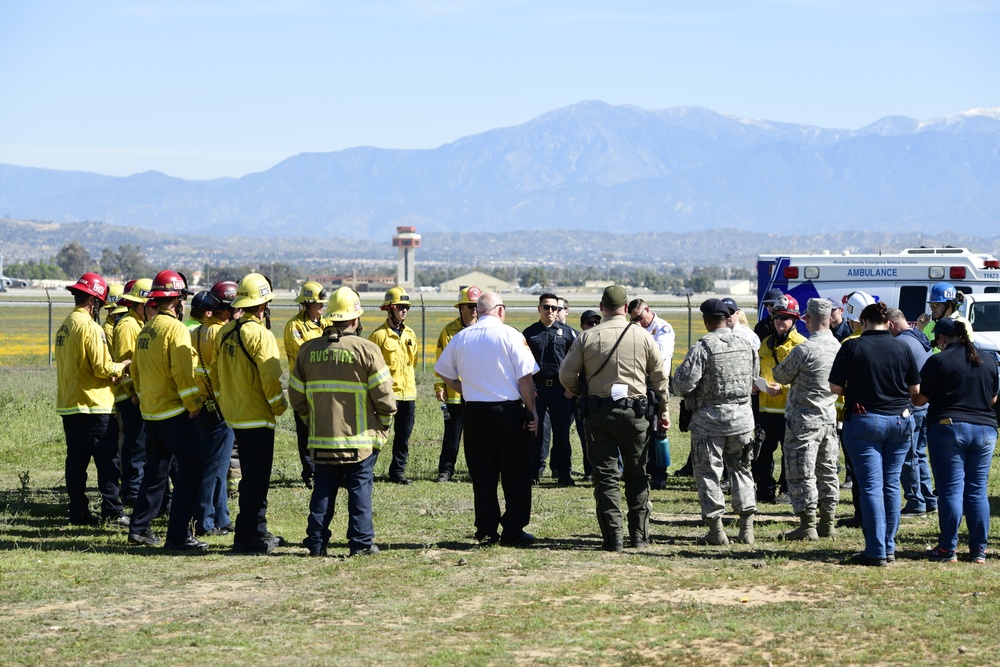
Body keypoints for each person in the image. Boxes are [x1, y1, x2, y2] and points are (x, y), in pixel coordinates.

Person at [289, 287, 397, 557]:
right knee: (360, 492)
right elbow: (385, 399)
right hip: (359, 442)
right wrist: (382, 427)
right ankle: (360, 544)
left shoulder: (307, 350)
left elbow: (296, 397)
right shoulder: (367, 350)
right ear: (355, 318)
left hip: (321, 439)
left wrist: (312, 423)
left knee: (323, 491)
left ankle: (315, 543)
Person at [560, 286, 669, 552]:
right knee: (637, 476)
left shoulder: (587, 337)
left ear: (601, 306)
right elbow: (659, 376)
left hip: (599, 414)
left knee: (606, 478)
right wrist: (663, 410)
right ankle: (639, 537)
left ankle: (614, 539)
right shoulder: (643, 336)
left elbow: (566, 375)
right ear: (625, 308)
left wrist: (579, 392)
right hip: (636, 414)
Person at [434, 291, 539, 547]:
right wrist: (532, 409)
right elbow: (525, 378)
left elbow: (442, 371)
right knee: (515, 473)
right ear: (500, 311)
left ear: (478, 312)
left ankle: (487, 531)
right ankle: (513, 530)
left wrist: (464, 388)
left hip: (474, 412)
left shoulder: (462, 337)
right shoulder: (511, 334)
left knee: (483, 475)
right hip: (507, 412)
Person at [829, 302, 920, 567]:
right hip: (900, 421)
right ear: (888, 323)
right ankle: (889, 547)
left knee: (870, 486)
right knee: (891, 484)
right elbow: (914, 389)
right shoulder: (902, 346)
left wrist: (857, 390)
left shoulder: (852, 346)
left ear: (863, 322)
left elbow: (835, 387)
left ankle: (876, 549)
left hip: (865, 419)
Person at [127, 270, 207, 553]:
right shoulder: (176, 329)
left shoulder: (146, 329)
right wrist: (194, 406)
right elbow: (183, 373)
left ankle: (138, 528)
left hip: (151, 413)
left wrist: (140, 399)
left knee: (156, 472)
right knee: (192, 469)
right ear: (177, 300)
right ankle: (178, 535)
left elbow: (135, 371)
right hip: (174, 413)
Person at [212, 272, 288, 554]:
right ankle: (246, 537)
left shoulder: (224, 332)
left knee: (252, 478)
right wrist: (279, 406)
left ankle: (258, 528)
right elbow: (270, 380)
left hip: (234, 415)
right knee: (256, 480)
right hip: (257, 417)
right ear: (264, 304)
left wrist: (224, 403)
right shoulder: (261, 335)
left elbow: (215, 375)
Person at [673, 298, 759, 546]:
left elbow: (682, 384)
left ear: (706, 321)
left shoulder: (703, 347)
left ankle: (716, 531)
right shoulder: (746, 344)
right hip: (743, 420)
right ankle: (746, 529)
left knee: (709, 474)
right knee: (742, 470)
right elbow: (754, 379)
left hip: (709, 422)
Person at [913, 318, 997, 565]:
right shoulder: (987, 359)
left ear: (941, 339)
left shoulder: (938, 361)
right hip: (985, 430)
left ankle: (947, 549)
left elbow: (920, 400)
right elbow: (993, 399)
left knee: (951, 490)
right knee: (977, 490)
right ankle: (979, 550)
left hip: (949, 428)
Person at [54, 272, 130, 526]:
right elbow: (102, 368)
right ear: (94, 302)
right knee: (108, 461)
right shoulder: (90, 327)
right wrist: (122, 366)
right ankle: (113, 511)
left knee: (76, 461)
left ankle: (78, 511)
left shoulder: (66, 325)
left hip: (69, 404)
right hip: (94, 405)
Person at [771, 298, 842, 540]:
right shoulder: (839, 347)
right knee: (828, 471)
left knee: (802, 472)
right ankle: (828, 522)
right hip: (829, 419)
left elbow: (780, 376)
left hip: (804, 421)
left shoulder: (805, 349)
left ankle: (807, 524)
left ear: (808, 319)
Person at [191, 280, 239, 536]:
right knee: (214, 468)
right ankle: (205, 520)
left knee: (219, 467)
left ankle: (221, 516)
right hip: (221, 407)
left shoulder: (197, 331)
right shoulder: (222, 333)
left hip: (204, 405)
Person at [753, 294, 806, 503]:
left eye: (784, 317)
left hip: (788, 409)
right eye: (776, 316)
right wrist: (753, 385)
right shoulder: (766, 343)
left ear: (794, 320)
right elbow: (757, 366)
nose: (779, 321)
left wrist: (783, 389)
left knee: (789, 452)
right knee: (762, 451)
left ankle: (786, 490)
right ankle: (764, 489)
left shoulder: (801, 345)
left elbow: (805, 378)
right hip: (765, 408)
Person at [524, 293, 577, 486]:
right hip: (537, 390)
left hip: (562, 390)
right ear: (539, 309)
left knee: (562, 433)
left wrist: (573, 387)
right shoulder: (529, 334)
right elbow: (521, 364)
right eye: (546, 307)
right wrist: (528, 389)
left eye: (554, 308)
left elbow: (578, 363)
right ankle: (534, 471)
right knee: (537, 433)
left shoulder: (569, 333)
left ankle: (563, 472)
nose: (550, 311)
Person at [886, 308, 935, 517]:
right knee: (919, 454)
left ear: (890, 324)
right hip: (924, 406)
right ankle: (928, 498)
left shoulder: (900, 343)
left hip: (910, 407)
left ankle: (916, 502)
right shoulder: (920, 337)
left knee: (908, 456)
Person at [368, 286, 418, 484]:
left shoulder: (410, 334)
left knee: (403, 437)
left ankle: (397, 472)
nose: (404, 310)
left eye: (406, 307)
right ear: (389, 309)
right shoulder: (378, 336)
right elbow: (370, 367)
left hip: (408, 394)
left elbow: (413, 362)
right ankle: (367, 470)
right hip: (388, 394)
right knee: (379, 434)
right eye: (399, 306)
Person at [112, 278, 154, 506]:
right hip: (131, 396)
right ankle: (132, 494)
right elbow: (128, 363)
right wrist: (136, 394)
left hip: (136, 394)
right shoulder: (129, 325)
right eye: (151, 305)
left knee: (140, 446)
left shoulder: (136, 323)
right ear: (140, 304)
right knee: (135, 447)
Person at [433, 285, 481, 482]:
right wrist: (439, 386)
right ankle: (446, 471)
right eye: (470, 305)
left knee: (477, 437)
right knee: (452, 437)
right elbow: (440, 361)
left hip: (478, 394)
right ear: (460, 307)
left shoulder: (484, 329)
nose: (474, 309)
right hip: (454, 393)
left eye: (477, 305)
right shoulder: (449, 331)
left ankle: (477, 471)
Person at [284, 281, 329, 488]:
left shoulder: (326, 323)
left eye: (323, 303)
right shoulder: (295, 326)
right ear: (307, 304)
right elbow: (305, 353)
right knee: (305, 431)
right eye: (318, 303)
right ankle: (309, 472)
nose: (322, 307)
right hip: (303, 386)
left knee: (323, 428)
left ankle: (325, 469)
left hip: (324, 386)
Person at [627, 298, 676, 490]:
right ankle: (640, 469)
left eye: (639, 317)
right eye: (633, 320)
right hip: (638, 383)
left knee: (657, 429)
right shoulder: (634, 328)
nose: (638, 322)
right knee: (637, 429)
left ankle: (659, 474)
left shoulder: (663, 328)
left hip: (656, 383)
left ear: (647, 310)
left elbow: (659, 356)